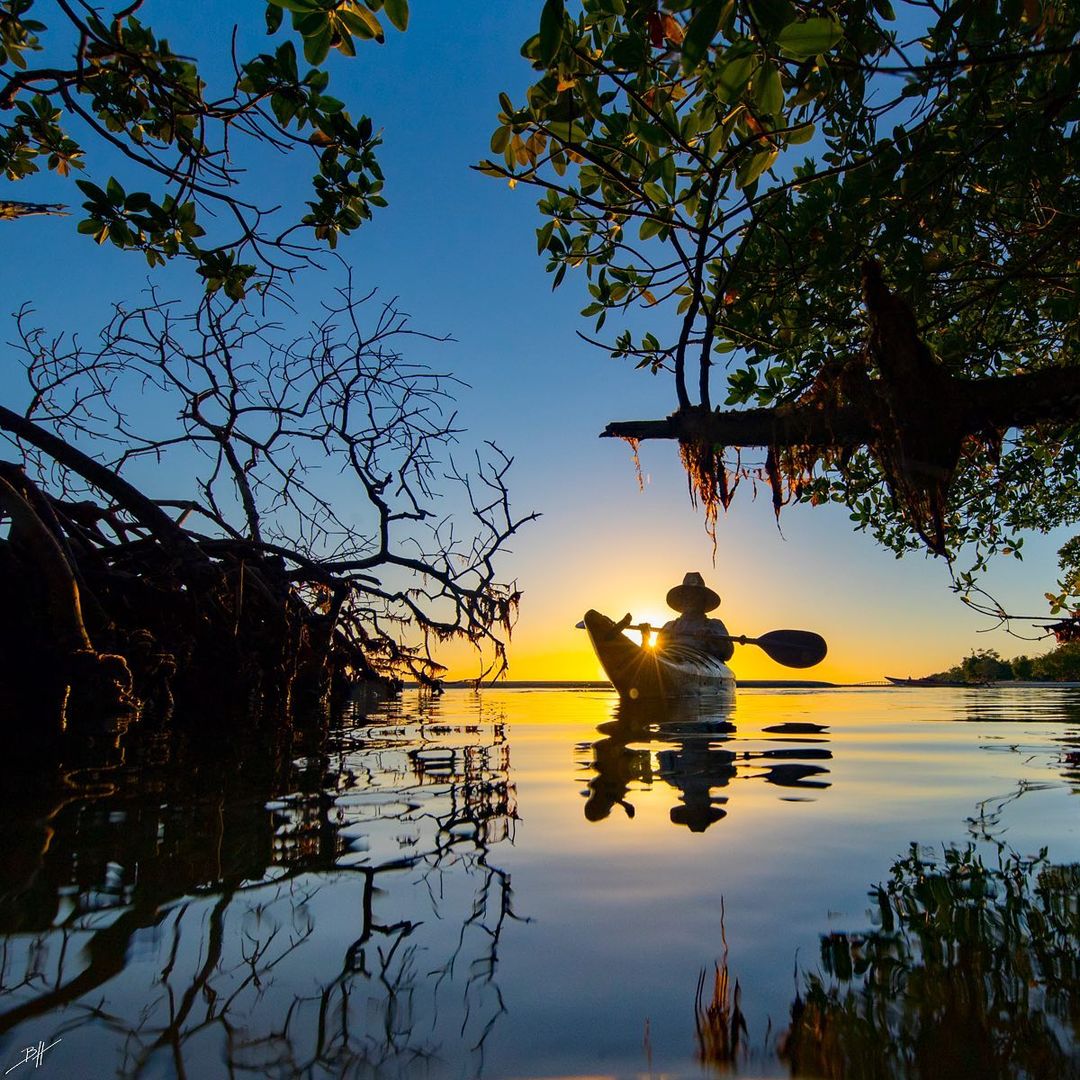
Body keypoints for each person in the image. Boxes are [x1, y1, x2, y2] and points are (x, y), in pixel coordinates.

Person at [655, 572, 734, 661]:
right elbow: (656, 653)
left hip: (702, 663)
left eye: (695, 595)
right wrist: (646, 638)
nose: (690, 599)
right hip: (671, 660)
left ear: (703, 601)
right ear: (681, 600)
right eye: (686, 595)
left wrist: (712, 637)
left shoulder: (714, 625)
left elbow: (727, 653)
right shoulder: (669, 626)